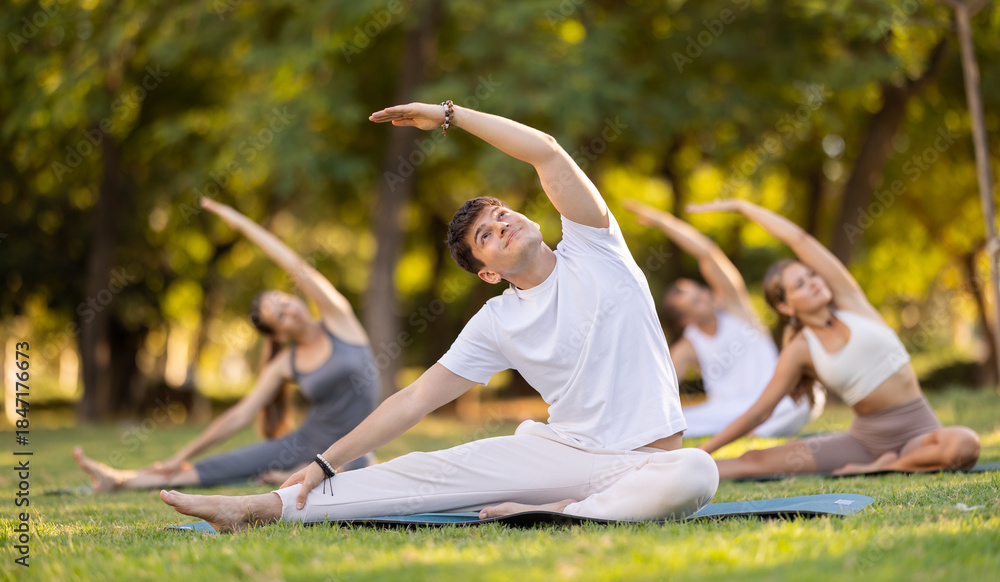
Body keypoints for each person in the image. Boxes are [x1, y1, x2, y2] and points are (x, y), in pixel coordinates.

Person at [159, 101, 719, 532]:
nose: (503, 224)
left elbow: (545, 151)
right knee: (426, 471)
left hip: (652, 463)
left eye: (502, 213)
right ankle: (260, 508)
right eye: (487, 235)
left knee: (699, 472)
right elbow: (413, 401)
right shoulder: (497, 321)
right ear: (488, 273)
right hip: (562, 452)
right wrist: (325, 462)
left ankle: (565, 511)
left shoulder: (598, 248)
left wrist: (447, 114)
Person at [73, 198, 378, 491]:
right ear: (278, 336)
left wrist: (242, 224)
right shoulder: (287, 363)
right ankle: (120, 480)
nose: (292, 310)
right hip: (307, 442)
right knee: (224, 465)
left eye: (284, 301)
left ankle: (294, 474)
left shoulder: (340, 321)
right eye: (281, 316)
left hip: (354, 450)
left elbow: (295, 265)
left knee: (350, 475)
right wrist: (180, 456)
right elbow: (239, 416)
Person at [689, 198, 980, 478]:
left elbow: (800, 240)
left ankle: (886, 467)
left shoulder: (851, 303)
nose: (814, 283)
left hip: (921, 435)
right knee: (756, 461)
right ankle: (680, 471)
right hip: (864, 443)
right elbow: (759, 412)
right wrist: (705, 450)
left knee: (964, 444)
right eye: (800, 284)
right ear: (786, 306)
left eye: (811, 275)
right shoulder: (800, 349)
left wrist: (744, 207)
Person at [625, 200, 823, 439]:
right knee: (672, 423)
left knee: (804, 400)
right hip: (729, 412)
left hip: (776, 400)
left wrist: (663, 222)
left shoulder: (735, 308)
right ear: (686, 321)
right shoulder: (688, 347)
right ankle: (750, 429)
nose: (706, 297)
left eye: (701, 291)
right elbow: (661, 392)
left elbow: (708, 253)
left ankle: (753, 430)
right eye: (696, 301)